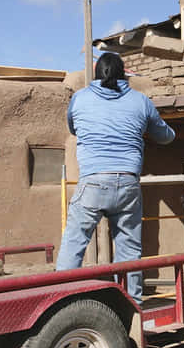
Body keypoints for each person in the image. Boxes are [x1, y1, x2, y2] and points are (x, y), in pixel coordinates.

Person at [56, 52, 175, 305]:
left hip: (93, 181)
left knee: (74, 242)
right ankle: (132, 306)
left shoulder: (80, 98)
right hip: (128, 183)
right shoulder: (141, 101)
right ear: (124, 74)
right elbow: (166, 137)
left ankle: (59, 302)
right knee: (129, 249)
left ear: (98, 75)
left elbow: (73, 128)